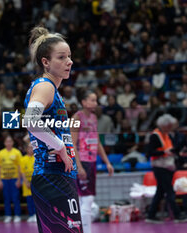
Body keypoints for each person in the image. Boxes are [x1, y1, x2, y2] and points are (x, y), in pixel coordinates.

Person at [23, 26, 82, 232]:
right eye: (62, 57)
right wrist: (60, 147)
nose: (69, 61)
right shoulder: (45, 86)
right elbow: (30, 120)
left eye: (70, 56)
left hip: (56, 176)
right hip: (52, 176)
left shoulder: (51, 89)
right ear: (46, 62)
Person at [71, 89, 114, 233]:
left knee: (87, 200)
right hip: (82, 162)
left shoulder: (94, 118)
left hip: (92, 161)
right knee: (86, 199)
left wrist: (107, 162)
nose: (96, 103)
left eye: (96, 100)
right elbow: (72, 143)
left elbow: (97, 143)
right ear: (83, 102)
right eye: (92, 100)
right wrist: (78, 166)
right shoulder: (76, 118)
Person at [145, 114, 187, 224]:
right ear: (163, 125)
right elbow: (150, 152)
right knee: (170, 192)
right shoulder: (155, 136)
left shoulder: (166, 135)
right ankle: (177, 215)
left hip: (167, 166)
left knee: (160, 192)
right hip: (160, 167)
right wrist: (164, 153)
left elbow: (170, 149)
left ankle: (151, 215)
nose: (171, 128)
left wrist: (179, 153)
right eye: (169, 126)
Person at [0, 136, 22, 223]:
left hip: (14, 179)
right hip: (4, 179)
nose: (8, 143)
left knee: (15, 198)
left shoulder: (17, 152)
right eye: (7, 141)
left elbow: (20, 167)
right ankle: (8, 215)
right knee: (6, 198)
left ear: (12, 142)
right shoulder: (1, 153)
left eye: (10, 141)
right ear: (4, 143)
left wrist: (19, 180)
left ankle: (17, 215)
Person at [20, 144, 36, 222]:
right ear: (26, 149)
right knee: (29, 200)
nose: (31, 149)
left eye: (32, 147)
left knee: (36, 200)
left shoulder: (36, 158)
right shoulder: (23, 159)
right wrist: (26, 182)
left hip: (35, 183)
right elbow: (22, 172)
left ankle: (36, 215)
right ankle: (31, 215)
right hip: (26, 183)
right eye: (29, 148)